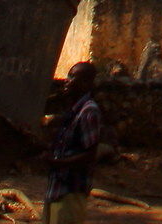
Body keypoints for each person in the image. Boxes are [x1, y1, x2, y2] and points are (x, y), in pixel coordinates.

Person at [45, 61, 105, 224]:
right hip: (57, 188)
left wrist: (58, 163)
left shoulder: (88, 111)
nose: (66, 80)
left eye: (72, 77)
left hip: (71, 190)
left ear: (85, 83)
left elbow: (90, 154)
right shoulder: (73, 112)